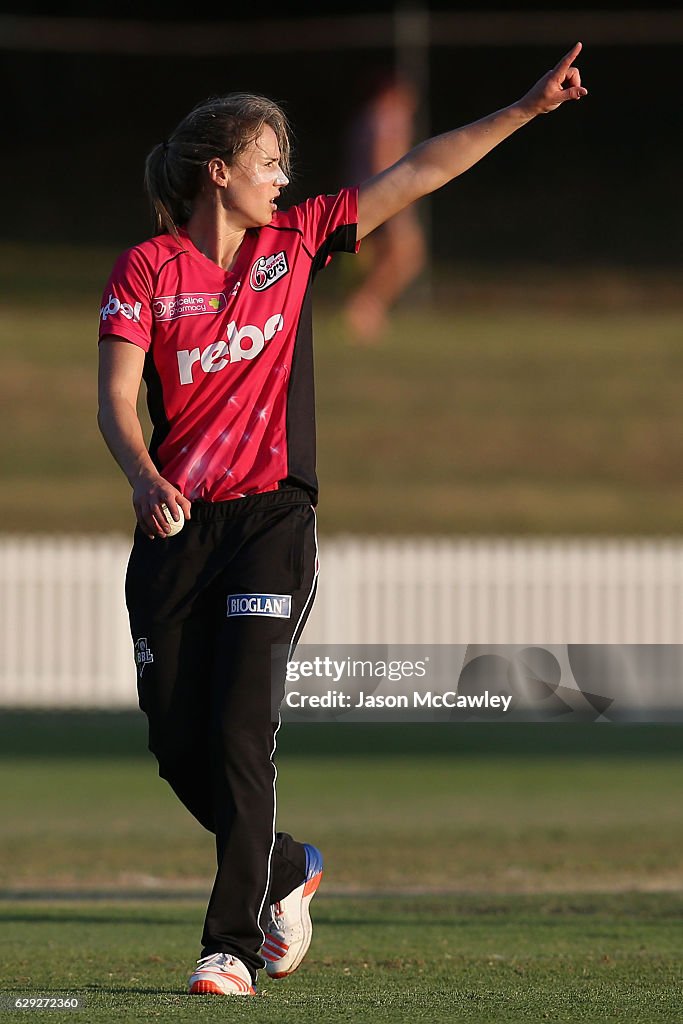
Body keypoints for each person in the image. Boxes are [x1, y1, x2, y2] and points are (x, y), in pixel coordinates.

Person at [97, 44, 586, 997]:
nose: (287, 177)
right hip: (176, 529)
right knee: (177, 745)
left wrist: (524, 110)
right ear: (219, 171)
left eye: (286, 162)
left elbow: (420, 169)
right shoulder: (147, 269)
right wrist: (144, 473)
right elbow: (118, 397)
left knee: (243, 732)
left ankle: (229, 946)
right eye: (271, 161)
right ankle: (286, 865)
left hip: (272, 524)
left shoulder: (300, 241)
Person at [344, 71, 426, 343]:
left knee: (384, 255)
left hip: (362, 193)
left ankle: (367, 309)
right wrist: (400, 195)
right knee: (409, 254)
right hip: (387, 194)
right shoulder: (387, 118)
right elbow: (383, 159)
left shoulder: (367, 117)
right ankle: (366, 305)